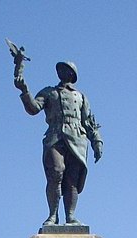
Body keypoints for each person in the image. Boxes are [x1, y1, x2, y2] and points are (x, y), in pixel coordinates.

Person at [14, 60, 103, 226]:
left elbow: (89, 121)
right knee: (56, 172)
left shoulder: (80, 96)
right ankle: (53, 215)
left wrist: (97, 141)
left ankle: (70, 217)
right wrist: (24, 90)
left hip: (77, 139)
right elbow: (33, 108)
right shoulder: (49, 92)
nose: (60, 71)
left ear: (71, 74)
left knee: (71, 180)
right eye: (59, 69)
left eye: (65, 69)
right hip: (55, 136)